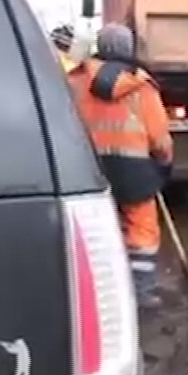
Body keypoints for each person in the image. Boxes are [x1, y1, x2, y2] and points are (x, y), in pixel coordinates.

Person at [67, 23, 174, 307]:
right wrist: (163, 165)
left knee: (97, 228)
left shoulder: (75, 81)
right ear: (129, 48)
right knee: (141, 229)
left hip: (88, 169)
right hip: (134, 172)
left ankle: (98, 289)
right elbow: (160, 139)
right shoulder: (140, 85)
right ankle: (140, 292)